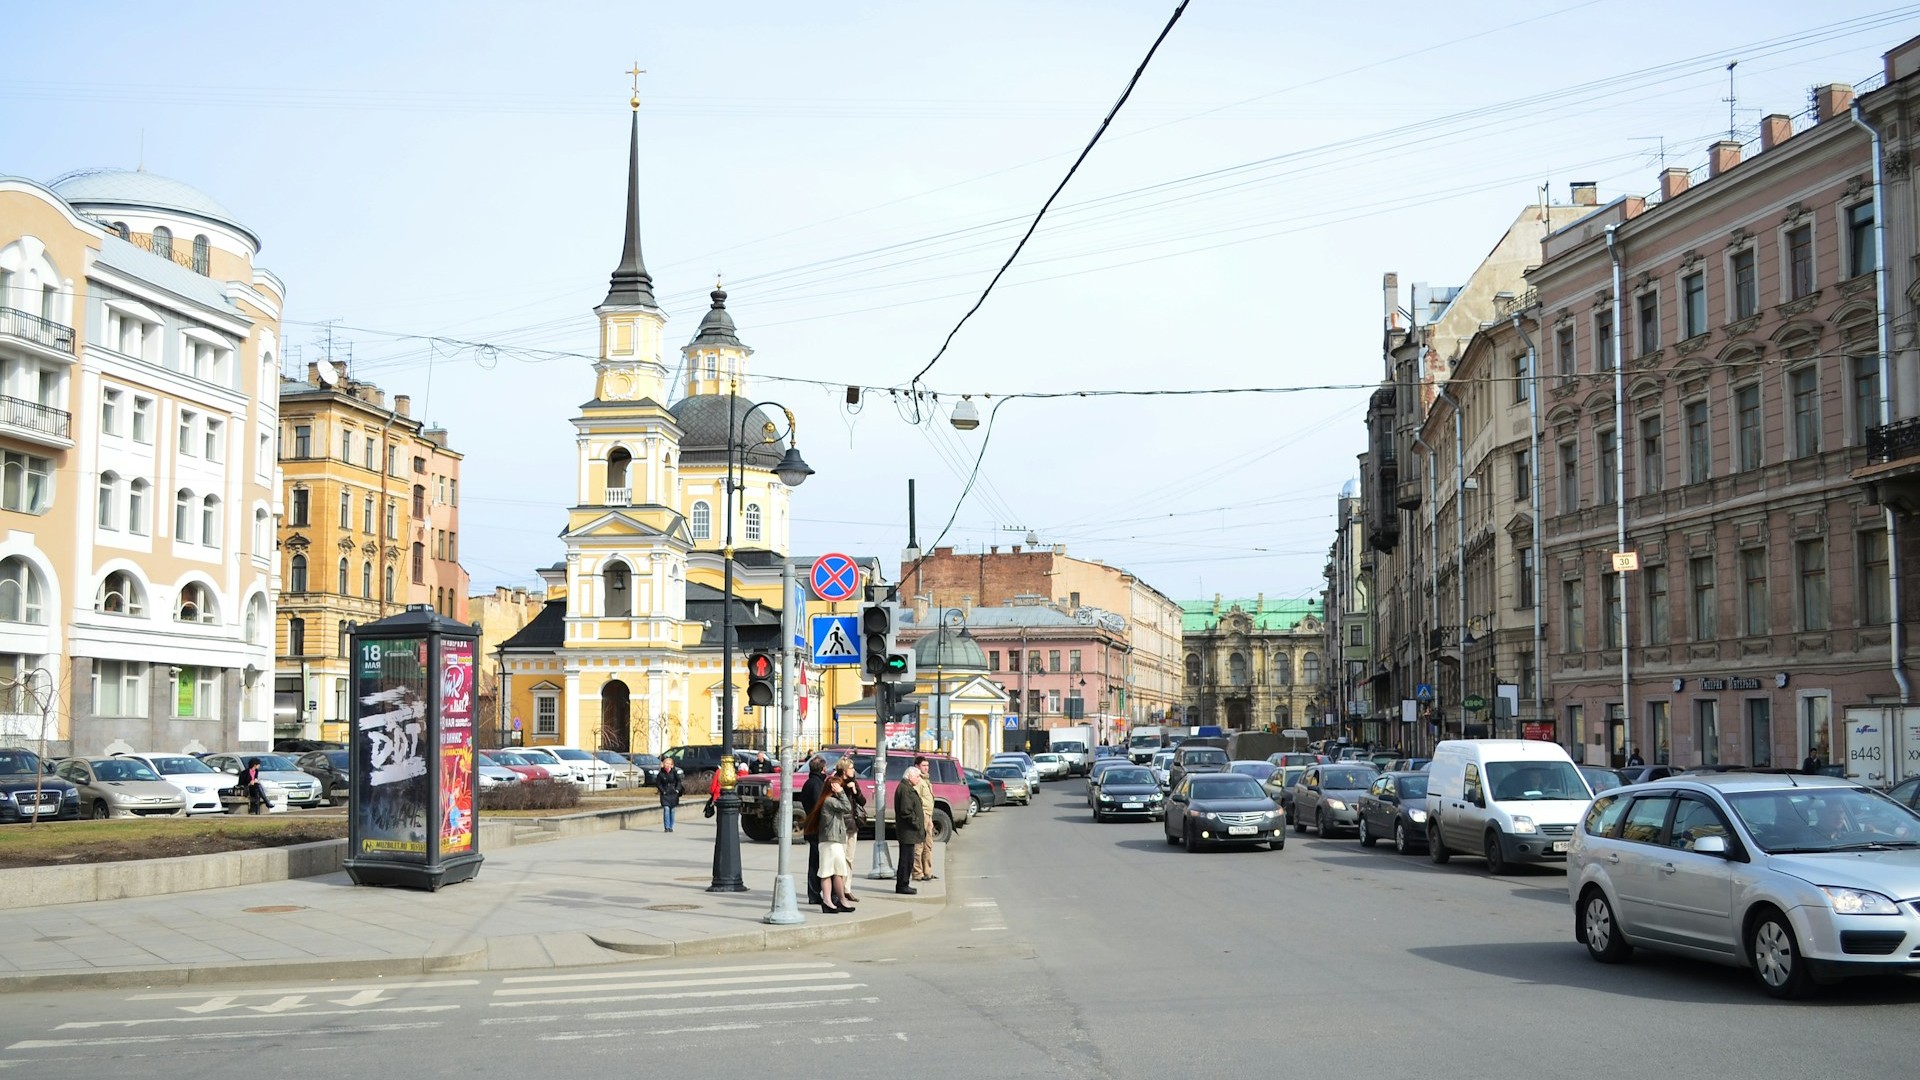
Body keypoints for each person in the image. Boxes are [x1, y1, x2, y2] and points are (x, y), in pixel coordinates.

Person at [812, 773, 856, 914]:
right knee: (827, 871)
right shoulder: (829, 801)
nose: (841, 788)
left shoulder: (829, 800)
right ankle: (827, 901)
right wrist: (841, 792)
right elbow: (846, 807)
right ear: (833, 787)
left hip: (834, 840)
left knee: (838, 872)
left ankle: (841, 900)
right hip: (830, 841)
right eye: (839, 786)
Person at [834, 758, 867, 898]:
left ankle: (847, 889)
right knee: (839, 859)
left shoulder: (854, 782)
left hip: (852, 825)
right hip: (841, 825)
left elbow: (862, 801)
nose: (853, 770)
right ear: (844, 769)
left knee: (849, 858)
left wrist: (855, 790)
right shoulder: (836, 782)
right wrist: (846, 790)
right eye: (851, 768)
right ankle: (838, 890)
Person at [799, 757, 828, 906]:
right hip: (817, 828)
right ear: (822, 769)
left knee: (815, 861)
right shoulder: (816, 784)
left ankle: (814, 893)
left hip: (812, 827)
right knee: (818, 862)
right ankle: (815, 893)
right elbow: (819, 807)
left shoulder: (810, 782)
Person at [894, 765, 926, 895]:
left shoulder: (907, 788)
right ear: (910, 776)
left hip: (909, 831)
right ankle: (902, 884)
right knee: (906, 859)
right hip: (908, 831)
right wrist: (917, 824)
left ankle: (904, 883)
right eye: (917, 776)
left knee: (908, 859)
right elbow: (906, 811)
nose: (919, 779)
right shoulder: (906, 789)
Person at [911, 756, 936, 882]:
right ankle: (917, 872)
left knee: (928, 845)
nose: (926, 768)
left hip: (929, 815)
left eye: (927, 765)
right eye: (923, 766)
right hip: (922, 815)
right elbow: (915, 799)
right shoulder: (917, 781)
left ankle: (928, 872)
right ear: (917, 767)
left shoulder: (926, 780)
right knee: (919, 845)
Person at [654, 756, 684, 832]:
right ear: (663, 764)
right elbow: (658, 784)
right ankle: (666, 827)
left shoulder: (674, 772)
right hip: (665, 794)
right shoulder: (661, 773)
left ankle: (671, 826)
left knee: (672, 810)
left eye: (669, 763)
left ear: (672, 765)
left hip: (673, 793)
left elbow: (679, 782)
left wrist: (677, 789)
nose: (667, 765)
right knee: (666, 809)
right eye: (666, 763)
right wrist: (663, 791)